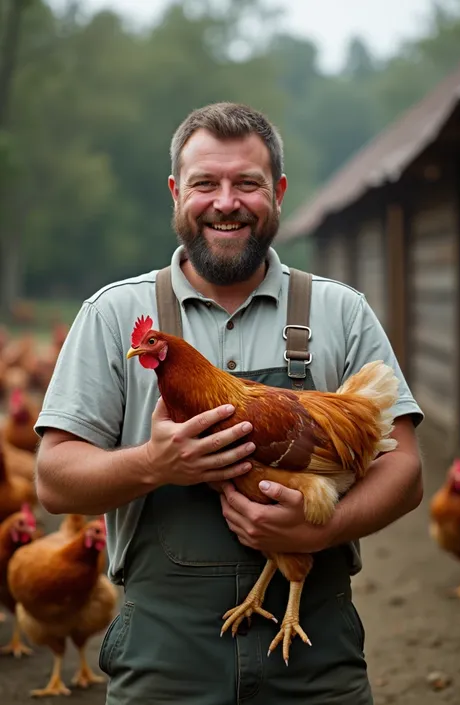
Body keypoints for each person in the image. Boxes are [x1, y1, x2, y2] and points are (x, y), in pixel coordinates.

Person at [35, 102, 424, 705]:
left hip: (315, 662)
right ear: (175, 192)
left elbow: (406, 469)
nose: (225, 202)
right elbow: (54, 482)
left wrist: (323, 529)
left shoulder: (341, 311)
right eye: (204, 184)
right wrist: (153, 465)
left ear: (279, 192)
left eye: (247, 183)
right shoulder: (112, 316)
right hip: (163, 659)